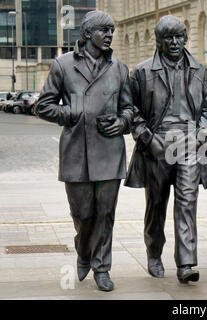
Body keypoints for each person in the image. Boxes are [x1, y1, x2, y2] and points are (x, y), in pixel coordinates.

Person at [37, 10, 134, 291]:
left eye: (111, 31)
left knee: (105, 214)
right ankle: (83, 251)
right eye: (104, 30)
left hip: (109, 151)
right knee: (82, 214)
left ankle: (102, 268)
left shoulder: (119, 68)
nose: (109, 36)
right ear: (88, 34)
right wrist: (70, 112)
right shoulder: (63, 65)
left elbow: (129, 108)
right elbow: (43, 106)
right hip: (76, 151)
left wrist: (121, 121)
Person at [125, 15, 207, 283]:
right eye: (168, 37)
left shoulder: (199, 70)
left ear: (186, 38)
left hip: (189, 143)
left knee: (187, 201)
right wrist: (146, 137)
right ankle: (154, 253)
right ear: (159, 41)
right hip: (157, 142)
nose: (175, 42)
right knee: (156, 204)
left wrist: (203, 132)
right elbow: (131, 110)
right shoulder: (142, 72)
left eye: (179, 36)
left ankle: (186, 263)